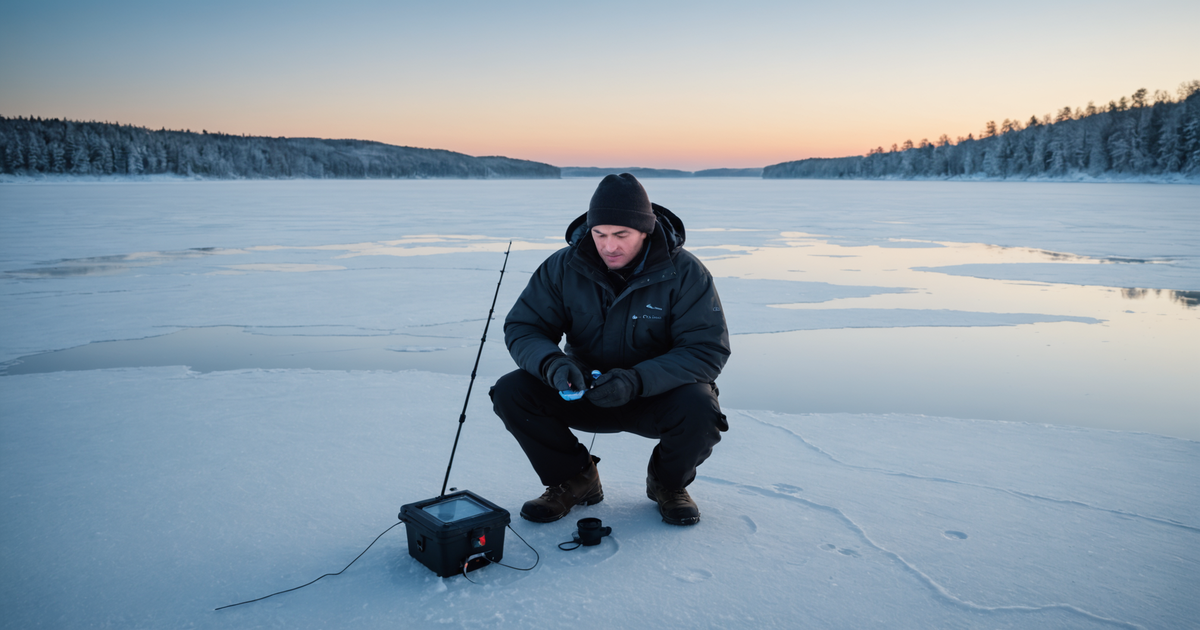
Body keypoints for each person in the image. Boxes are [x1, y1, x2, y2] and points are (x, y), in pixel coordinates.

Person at [491, 173, 730, 526]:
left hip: (655, 395)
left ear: (645, 231)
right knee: (512, 391)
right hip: (583, 389)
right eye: (599, 234)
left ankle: (668, 485)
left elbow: (705, 349)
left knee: (701, 408)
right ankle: (574, 479)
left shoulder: (685, 273)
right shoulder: (563, 266)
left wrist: (636, 380)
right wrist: (554, 365)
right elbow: (526, 327)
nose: (609, 246)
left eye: (622, 235)